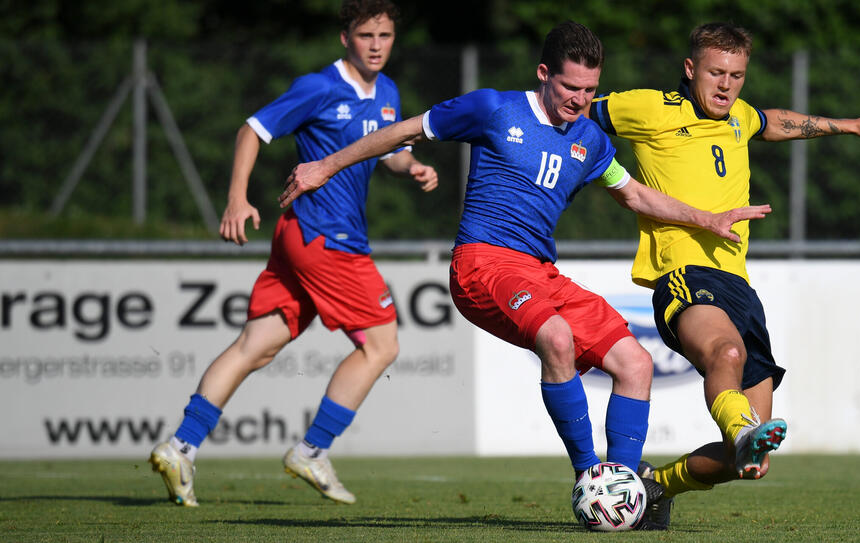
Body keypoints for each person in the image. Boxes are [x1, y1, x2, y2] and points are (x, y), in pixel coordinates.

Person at [279, 20, 771, 528]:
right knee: (556, 338)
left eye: (590, 90)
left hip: (539, 271)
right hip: (483, 262)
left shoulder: (589, 139)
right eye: (569, 87)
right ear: (543, 74)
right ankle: (589, 478)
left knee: (635, 364)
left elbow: (636, 195)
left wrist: (707, 218)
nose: (580, 100)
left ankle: (621, 495)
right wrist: (325, 166)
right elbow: (405, 131)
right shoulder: (493, 108)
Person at [588, 21, 860, 527]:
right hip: (684, 273)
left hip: (739, 288)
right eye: (716, 72)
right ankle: (738, 428)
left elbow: (775, 121)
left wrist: (849, 125)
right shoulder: (651, 107)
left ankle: (654, 488)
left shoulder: (738, 116)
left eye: (737, 75)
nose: (726, 85)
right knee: (728, 353)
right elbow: (573, 109)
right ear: (690, 68)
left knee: (750, 461)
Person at [149, 0, 438, 507]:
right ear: (344, 38)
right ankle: (312, 449)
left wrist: (409, 165)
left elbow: (388, 149)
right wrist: (237, 197)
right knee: (382, 347)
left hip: (300, 238)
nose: (376, 45)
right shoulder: (320, 87)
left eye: (385, 35)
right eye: (366, 35)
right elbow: (252, 130)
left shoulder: (388, 91)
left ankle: (179, 447)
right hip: (327, 239)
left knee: (254, 346)